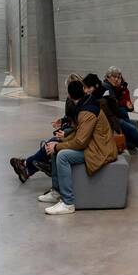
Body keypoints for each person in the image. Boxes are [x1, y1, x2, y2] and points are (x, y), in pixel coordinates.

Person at [39, 79, 117, 215]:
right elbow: (80, 133)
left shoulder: (86, 111)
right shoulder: (85, 104)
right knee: (57, 149)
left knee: (62, 155)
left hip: (100, 150)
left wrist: (58, 147)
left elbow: (81, 142)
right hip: (93, 145)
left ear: (69, 96)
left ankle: (68, 203)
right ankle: (57, 192)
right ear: (83, 91)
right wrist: (60, 141)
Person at [9, 74, 81, 183]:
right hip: (71, 130)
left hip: (74, 133)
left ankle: (25, 165)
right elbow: (71, 118)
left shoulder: (81, 104)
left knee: (50, 145)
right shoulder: (72, 100)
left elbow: (79, 126)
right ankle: (27, 169)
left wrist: (65, 133)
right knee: (50, 144)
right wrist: (62, 121)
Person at [88, 72, 138, 157]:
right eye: (114, 77)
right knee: (130, 129)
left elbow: (123, 104)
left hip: (112, 118)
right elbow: (111, 108)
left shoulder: (115, 88)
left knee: (130, 128)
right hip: (108, 120)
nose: (117, 79)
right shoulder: (105, 89)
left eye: (118, 77)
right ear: (108, 77)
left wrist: (122, 94)